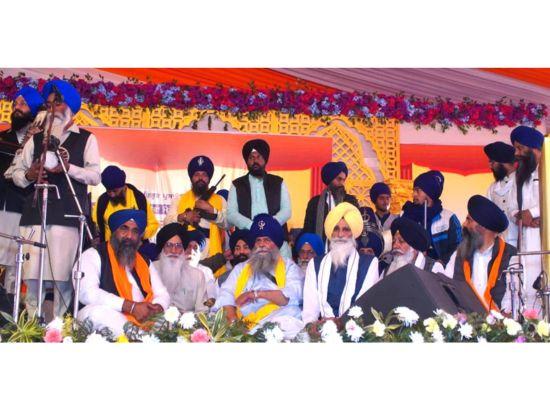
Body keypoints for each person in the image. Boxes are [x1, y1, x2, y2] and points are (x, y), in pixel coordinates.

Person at [12, 79, 101, 318]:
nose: (52, 109)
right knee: (31, 279)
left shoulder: (86, 139)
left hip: (66, 219)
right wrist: (30, 175)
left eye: (58, 104)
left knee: (62, 282)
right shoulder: (35, 139)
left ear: (70, 108)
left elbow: (95, 177)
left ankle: (59, 330)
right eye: (49, 104)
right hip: (34, 217)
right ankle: (30, 328)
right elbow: (17, 174)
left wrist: (69, 168)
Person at [77, 209, 169, 336]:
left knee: (170, 315)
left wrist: (157, 307)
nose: (129, 236)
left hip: (143, 319)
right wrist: (130, 307)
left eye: (135, 231)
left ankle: (141, 336)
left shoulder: (144, 261)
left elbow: (162, 293)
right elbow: (87, 293)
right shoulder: (93, 255)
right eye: (124, 229)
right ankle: (139, 338)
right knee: (97, 313)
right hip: (108, 317)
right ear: (114, 231)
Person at [213, 214, 304, 338]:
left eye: (267, 240)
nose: (262, 245)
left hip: (276, 321)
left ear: (276, 244)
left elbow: (291, 295)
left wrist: (255, 294)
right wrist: (234, 324)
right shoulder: (241, 268)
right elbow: (226, 294)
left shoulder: (289, 267)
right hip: (242, 323)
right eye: (258, 240)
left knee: (292, 318)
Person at [302, 202, 379, 325]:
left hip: (355, 329)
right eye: (336, 229)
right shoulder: (315, 264)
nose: (340, 235)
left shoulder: (369, 264)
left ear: (353, 233)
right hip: (322, 330)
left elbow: (365, 306)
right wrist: (312, 328)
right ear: (330, 232)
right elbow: (310, 311)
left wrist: (341, 325)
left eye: (346, 229)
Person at [1, 87, 43, 298]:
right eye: (15, 104)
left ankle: (10, 309)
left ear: (34, 111)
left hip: (23, 211)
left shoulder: (40, 142)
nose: (17, 108)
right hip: (1, 206)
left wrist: (31, 143)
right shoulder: (2, 138)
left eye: (23, 104)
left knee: (15, 267)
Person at [444, 195, 516, 312]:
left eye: (469, 220)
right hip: (465, 321)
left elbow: (512, 303)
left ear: (483, 227)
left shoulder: (511, 256)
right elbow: (445, 288)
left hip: (499, 322)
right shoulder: (459, 254)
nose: (464, 224)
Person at [227, 139, 292, 258]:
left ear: (265, 159)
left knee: (282, 269)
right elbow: (231, 213)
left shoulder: (278, 182)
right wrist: (252, 226)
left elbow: (287, 211)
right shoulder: (237, 184)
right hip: (248, 241)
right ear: (247, 161)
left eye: (258, 157)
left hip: (276, 240)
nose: (255, 161)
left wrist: (270, 226)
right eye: (251, 158)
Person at [165, 155, 227, 278]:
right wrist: (184, 216)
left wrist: (212, 210)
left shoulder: (220, 200)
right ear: (191, 178)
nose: (200, 178)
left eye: (204, 175)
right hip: (184, 260)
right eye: (197, 174)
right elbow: (166, 223)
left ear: (209, 178)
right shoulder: (179, 199)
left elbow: (228, 224)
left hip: (212, 260)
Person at [509, 126, 544, 312]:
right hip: (525, 243)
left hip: (544, 242)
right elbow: (511, 208)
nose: (517, 153)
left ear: (535, 148)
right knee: (527, 292)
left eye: (520, 148)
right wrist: (522, 217)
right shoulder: (518, 176)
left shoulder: (547, 171)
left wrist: (534, 212)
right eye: (516, 148)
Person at [401, 170, 461, 266]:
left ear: (429, 192)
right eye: (414, 190)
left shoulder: (449, 218)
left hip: (439, 271)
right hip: (410, 269)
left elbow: (458, 247)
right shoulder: (406, 215)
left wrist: (442, 262)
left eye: (417, 190)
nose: (414, 194)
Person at [92, 165, 159, 242]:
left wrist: (140, 234)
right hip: (110, 247)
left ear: (124, 187)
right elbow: (96, 225)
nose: (112, 195)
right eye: (109, 191)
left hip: (135, 246)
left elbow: (153, 224)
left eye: (115, 191)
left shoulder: (139, 198)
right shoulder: (102, 201)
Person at [153, 223, 208, 313]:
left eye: (178, 246)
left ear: (183, 249)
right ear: (162, 248)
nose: (173, 250)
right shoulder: (150, 270)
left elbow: (202, 311)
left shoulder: (198, 276)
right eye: (169, 245)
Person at [302, 161, 359, 242]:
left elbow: (356, 227)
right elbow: (308, 230)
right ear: (330, 179)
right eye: (339, 179)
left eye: (343, 180)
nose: (341, 183)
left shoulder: (350, 201)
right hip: (321, 247)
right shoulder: (314, 203)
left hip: (344, 245)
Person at [379, 217, 445, 277]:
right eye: (393, 241)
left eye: (401, 241)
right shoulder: (387, 269)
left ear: (414, 247)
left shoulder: (434, 268)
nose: (394, 246)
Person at [484, 141, 517, 246]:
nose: (490, 165)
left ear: (503, 162)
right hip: (500, 243)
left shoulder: (522, 182)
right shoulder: (492, 188)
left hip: (523, 241)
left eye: (492, 162)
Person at [182, 229, 218, 303]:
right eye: (188, 247)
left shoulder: (206, 272)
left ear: (200, 255)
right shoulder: (172, 270)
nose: (191, 251)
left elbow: (211, 298)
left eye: (195, 248)